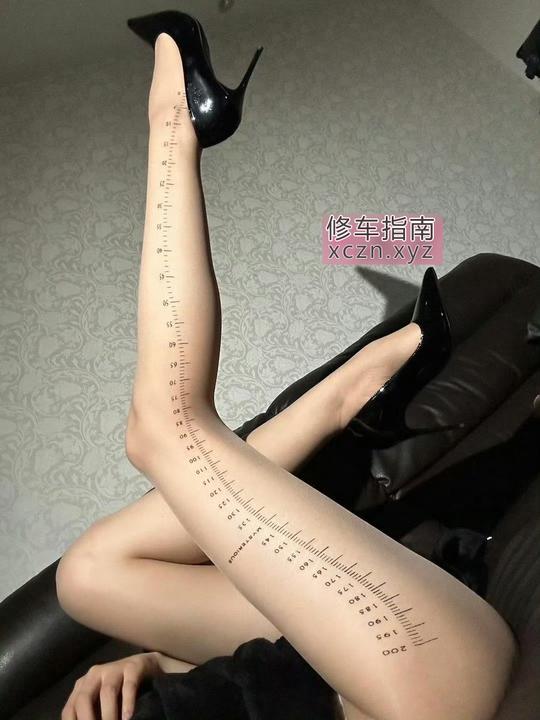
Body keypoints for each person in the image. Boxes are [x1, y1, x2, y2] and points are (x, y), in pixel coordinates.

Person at [55, 17, 519, 720]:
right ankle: (175, 125)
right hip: (430, 688)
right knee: (165, 430)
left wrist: (160, 664)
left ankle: (358, 391)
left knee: (84, 577)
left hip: (350, 662)